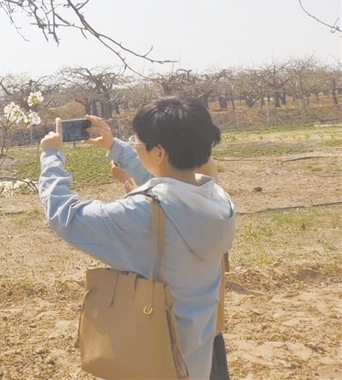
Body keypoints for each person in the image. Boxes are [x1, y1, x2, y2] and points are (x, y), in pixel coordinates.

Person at [38, 96, 235, 380]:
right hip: (197, 357)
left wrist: (51, 157)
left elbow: (66, 217)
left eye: (136, 141)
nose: (134, 145)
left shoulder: (144, 215)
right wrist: (114, 147)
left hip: (155, 360)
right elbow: (170, 182)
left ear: (160, 152)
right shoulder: (218, 201)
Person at [90, 115, 231, 380]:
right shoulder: (205, 180)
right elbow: (162, 180)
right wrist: (114, 146)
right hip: (206, 315)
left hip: (177, 320)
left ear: (163, 148)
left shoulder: (181, 189)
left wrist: (126, 182)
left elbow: (159, 207)